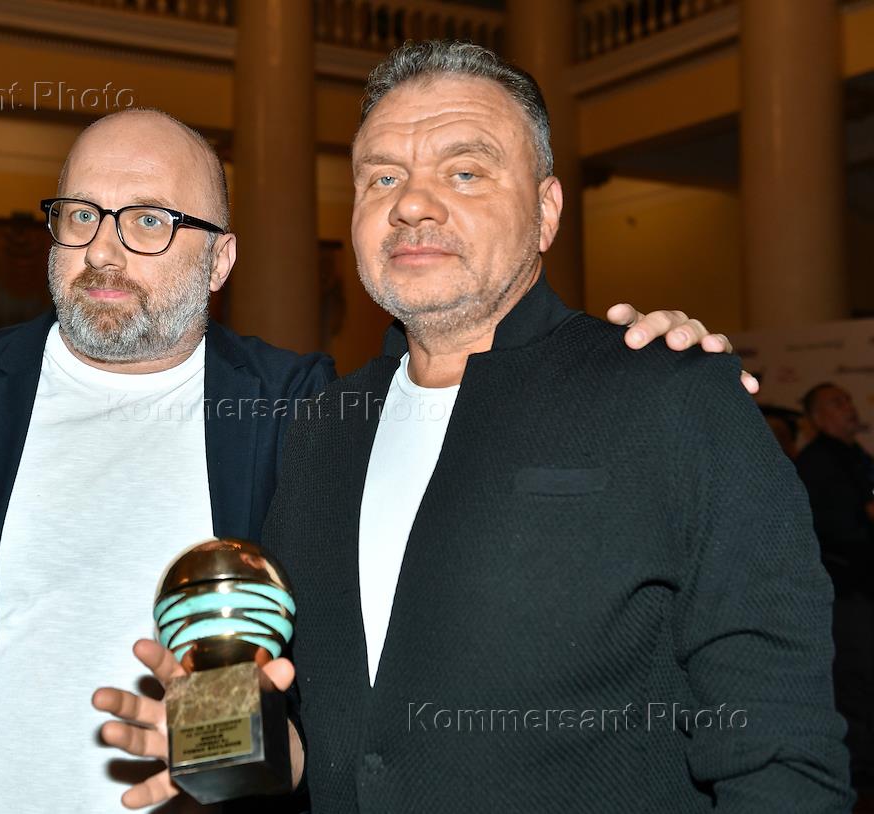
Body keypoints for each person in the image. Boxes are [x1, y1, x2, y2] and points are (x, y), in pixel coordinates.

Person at [0, 107, 730, 813]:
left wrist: (622, 359)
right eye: (81, 215)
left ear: (219, 261)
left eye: (150, 221)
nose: (104, 252)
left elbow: (463, 386)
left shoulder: (296, 407)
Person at [97, 44, 851, 812]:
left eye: (464, 172)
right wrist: (231, 744)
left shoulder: (673, 396)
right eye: (382, 177)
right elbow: (337, 727)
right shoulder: (323, 428)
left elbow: (781, 754)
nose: (411, 205)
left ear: (546, 211)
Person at [797, 382, 874, 792]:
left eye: (847, 398)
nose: (848, 406)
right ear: (816, 419)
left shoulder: (857, 457)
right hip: (844, 592)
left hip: (862, 588)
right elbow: (839, 530)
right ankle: (858, 773)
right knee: (855, 680)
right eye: (836, 402)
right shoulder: (818, 464)